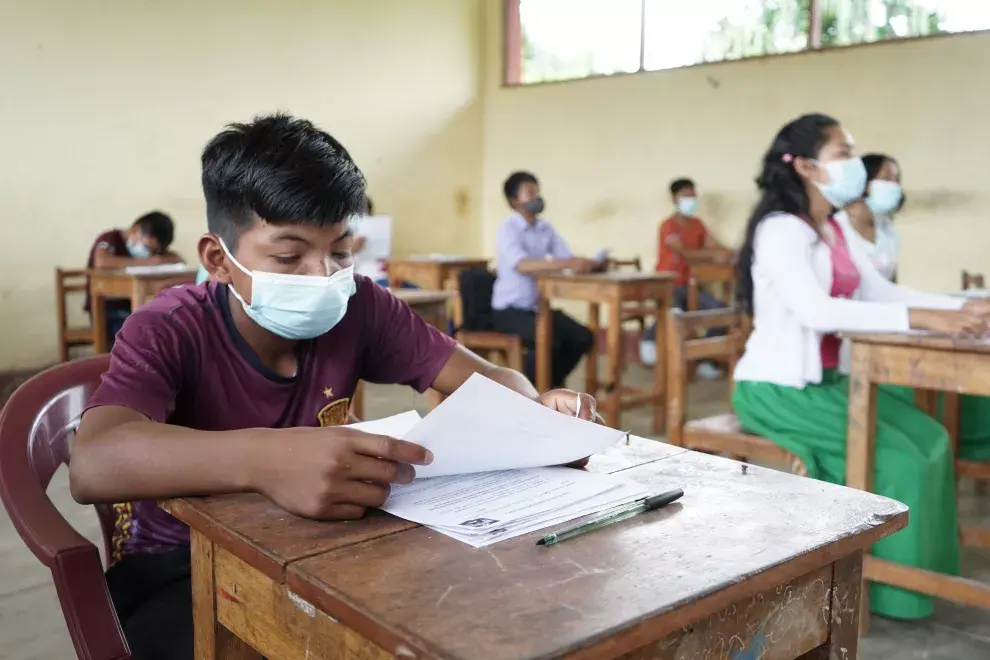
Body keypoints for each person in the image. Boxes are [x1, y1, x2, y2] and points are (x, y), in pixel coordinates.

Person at [69, 114, 600, 660]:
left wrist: (538, 412)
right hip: (182, 569)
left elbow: (491, 379)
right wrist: (266, 461)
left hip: (324, 552)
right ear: (217, 259)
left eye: (341, 252)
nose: (322, 275)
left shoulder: (360, 307)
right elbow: (95, 460)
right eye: (288, 256)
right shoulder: (170, 326)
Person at [731, 113, 990, 621]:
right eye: (843, 153)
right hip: (777, 388)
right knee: (903, 459)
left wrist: (960, 308)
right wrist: (926, 317)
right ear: (806, 166)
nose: (854, 163)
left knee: (932, 439)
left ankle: (921, 577)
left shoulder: (831, 228)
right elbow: (817, 311)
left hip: (830, 382)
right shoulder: (781, 230)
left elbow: (880, 291)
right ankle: (894, 591)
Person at [491, 171, 597, 388]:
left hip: (538, 310)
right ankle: (530, 392)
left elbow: (565, 257)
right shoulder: (507, 228)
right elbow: (522, 265)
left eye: (537, 191)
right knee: (548, 338)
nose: (537, 196)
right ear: (514, 200)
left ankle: (547, 385)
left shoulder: (545, 228)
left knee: (582, 336)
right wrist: (566, 263)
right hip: (509, 311)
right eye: (530, 192)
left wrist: (588, 263)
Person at [639, 178, 731, 375]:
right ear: (674, 199)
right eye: (686, 197)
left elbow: (713, 245)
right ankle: (649, 340)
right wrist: (715, 255)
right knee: (675, 313)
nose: (691, 201)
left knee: (720, 311)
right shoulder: (668, 226)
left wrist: (731, 252)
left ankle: (705, 360)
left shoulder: (697, 225)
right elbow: (685, 253)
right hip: (669, 284)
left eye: (693, 196)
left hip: (692, 285)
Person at [84, 211, 183, 341]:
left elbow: (176, 259)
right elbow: (101, 261)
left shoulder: (154, 250)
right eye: (147, 248)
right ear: (135, 230)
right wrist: (147, 262)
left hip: (133, 306)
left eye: (154, 250)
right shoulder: (110, 238)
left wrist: (165, 259)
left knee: (170, 326)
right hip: (107, 310)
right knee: (141, 332)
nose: (149, 253)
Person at [834, 153, 903, 281]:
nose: (894, 187)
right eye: (886, 179)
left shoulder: (887, 228)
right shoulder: (835, 230)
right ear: (863, 181)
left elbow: (891, 281)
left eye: (897, 181)